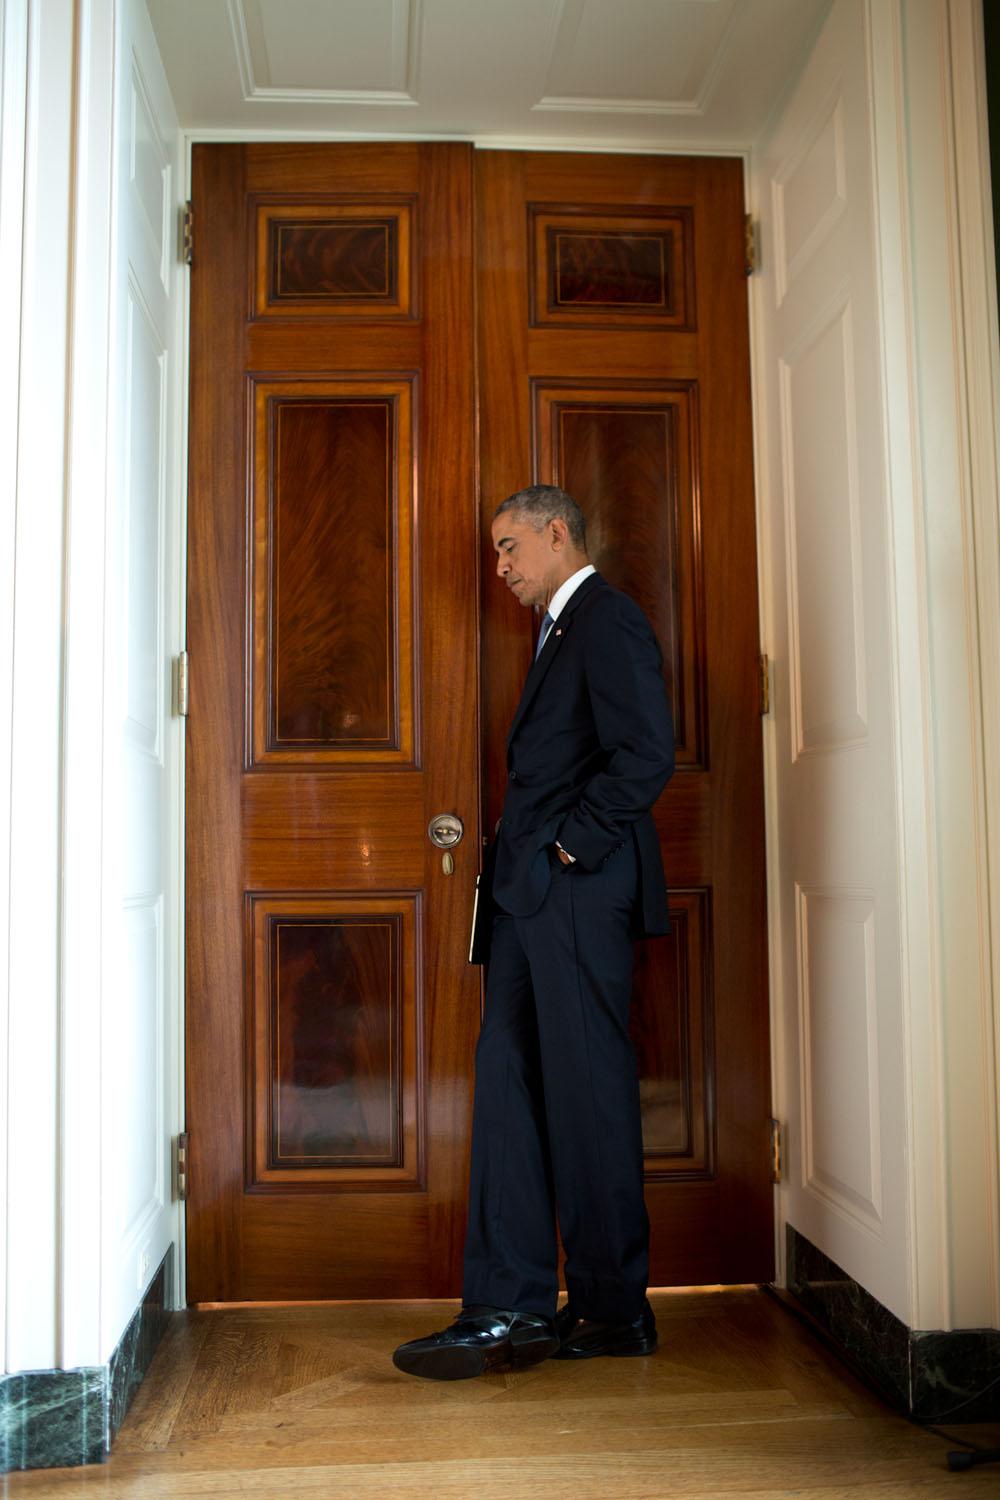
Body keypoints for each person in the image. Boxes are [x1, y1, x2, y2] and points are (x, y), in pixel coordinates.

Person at [393, 484, 675, 1381]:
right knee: (509, 1082)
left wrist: (563, 850)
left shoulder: (606, 619)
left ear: (558, 534)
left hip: (574, 895)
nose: (502, 567)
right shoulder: (559, 628)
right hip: (527, 900)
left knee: (587, 1091)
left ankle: (611, 1307)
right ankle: (506, 1307)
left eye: (510, 547)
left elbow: (645, 755)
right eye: (496, 552)